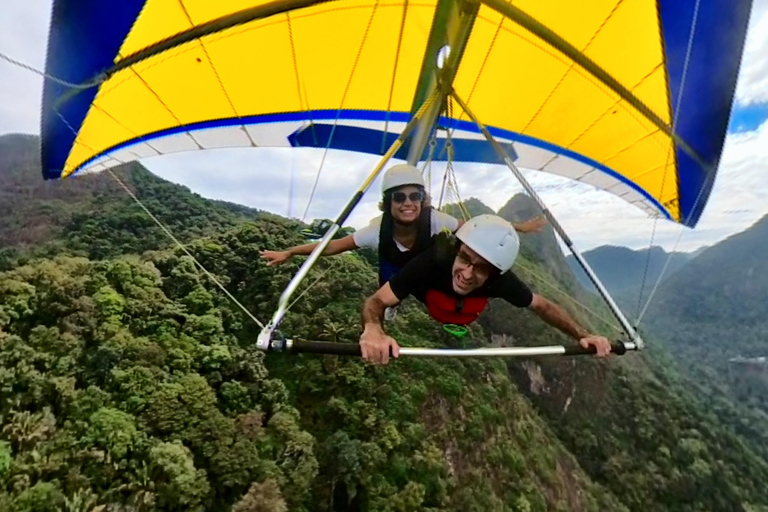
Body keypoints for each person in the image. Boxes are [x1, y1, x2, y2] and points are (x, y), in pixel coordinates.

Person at [358, 214, 612, 364]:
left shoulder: (498, 279)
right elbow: (377, 300)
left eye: (481, 268)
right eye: (465, 259)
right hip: (429, 296)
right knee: (394, 292)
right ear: (457, 250)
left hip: (462, 310)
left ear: (493, 272)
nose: (467, 274)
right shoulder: (432, 263)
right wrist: (373, 329)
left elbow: (542, 305)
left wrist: (582, 334)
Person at [260, 164, 546, 286]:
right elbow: (333, 246)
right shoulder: (376, 229)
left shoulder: (434, 219)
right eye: (399, 196)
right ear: (388, 202)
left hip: (420, 263)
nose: (408, 203)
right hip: (393, 267)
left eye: (415, 196)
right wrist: (290, 252)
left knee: (438, 267)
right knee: (389, 289)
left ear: (423, 199)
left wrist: (518, 228)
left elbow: (476, 228)